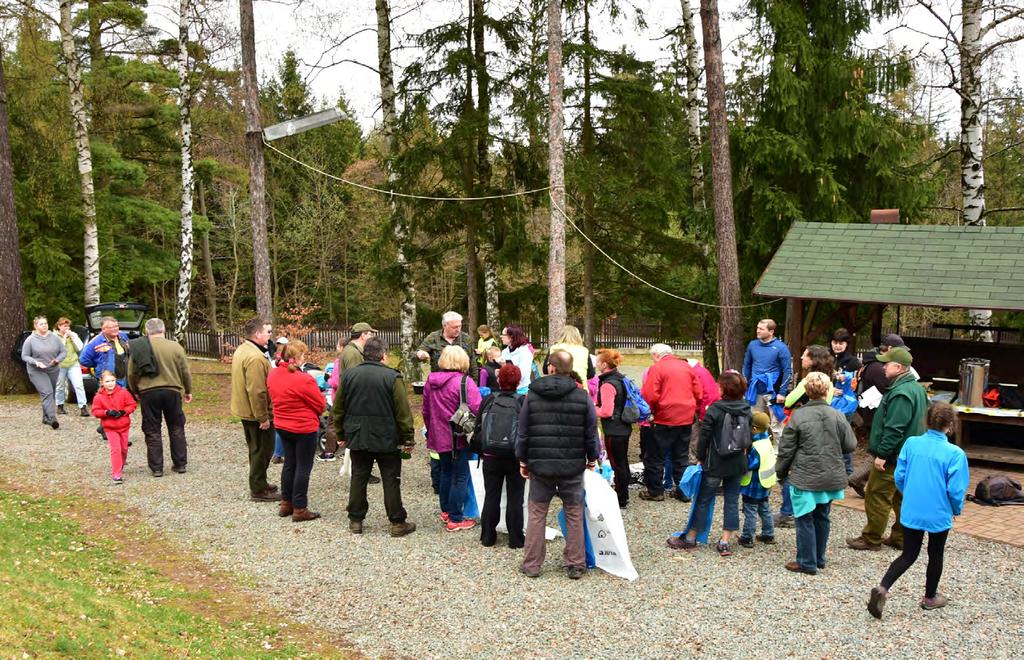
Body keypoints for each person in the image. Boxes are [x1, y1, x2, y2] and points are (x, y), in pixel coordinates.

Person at [867, 402, 969, 618]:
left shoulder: (911, 443)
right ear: (950, 426)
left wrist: (909, 494)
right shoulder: (955, 454)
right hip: (939, 511)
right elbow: (956, 490)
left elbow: (900, 476)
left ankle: (883, 587)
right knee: (935, 553)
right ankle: (930, 597)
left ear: (927, 421)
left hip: (912, 508)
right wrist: (955, 509)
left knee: (909, 554)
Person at [517, 349, 601, 579]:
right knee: (574, 513)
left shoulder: (532, 396)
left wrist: (523, 460)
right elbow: (591, 434)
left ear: (551, 368)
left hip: (540, 465)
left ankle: (532, 564)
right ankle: (575, 563)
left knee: (537, 514)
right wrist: (593, 459)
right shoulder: (582, 396)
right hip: (572, 466)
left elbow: (523, 432)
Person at [846, 346, 927, 552]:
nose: (883, 368)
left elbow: (894, 428)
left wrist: (882, 454)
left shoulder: (901, 392)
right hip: (909, 455)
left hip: (894, 456)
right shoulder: (917, 388)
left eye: (887, 364)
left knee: (877, 494)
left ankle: (871, 538)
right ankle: (901, 537)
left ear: (898, 367)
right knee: (901, 498)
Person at [334, 338, 417, 537]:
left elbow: (338, 408)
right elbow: (403, 412)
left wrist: (340, 434)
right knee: (390, 479)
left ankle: (356, 519)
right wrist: (408, 438)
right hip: (386, 437)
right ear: (383, 355)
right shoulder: (392, 377)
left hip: (357, 435)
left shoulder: (349, 376)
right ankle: (397, 521)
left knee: (359, 476)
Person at [776, 372, 857, 574]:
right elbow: (850, 445)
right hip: (831, 474)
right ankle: (819, 558)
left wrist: (781, 471)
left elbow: (786, 450)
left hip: (805, 475)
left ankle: (807, 562)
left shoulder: (799, 416)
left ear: (806, 392)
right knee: (822, 516)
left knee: (804, 518)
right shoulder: (837, 415)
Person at [667, 371, 749, 557]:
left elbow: (704, 437)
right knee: (731, 500)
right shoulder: (746, 408)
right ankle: (725, 541)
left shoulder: (715, 409)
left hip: (716, 462)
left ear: (724, 389)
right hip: (737, 462)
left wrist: (700, 456)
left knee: (703, 499)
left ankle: (691, 537)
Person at [422, 345, 482, 531]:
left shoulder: (430, 382)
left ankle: (446, 511)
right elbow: (477, 408)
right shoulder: (465, 382)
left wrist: (432, 430)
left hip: (439, 435)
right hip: (460, 436)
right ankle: (456, 518)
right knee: (461, 475)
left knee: (446, 472)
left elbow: (426, 411)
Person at [776, 345, 836, 528]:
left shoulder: (808, 380)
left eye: (805, 355)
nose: (801, 357)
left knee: (790, 469)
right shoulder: (830, 380)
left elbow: (789, 400)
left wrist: (783, 399)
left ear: (813, 359)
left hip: (801, 426)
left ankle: (788, 512)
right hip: (820, 428)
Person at [266, 340, 326, 522]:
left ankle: (286, 502)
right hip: (303, 427)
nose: (304, 359)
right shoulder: (304, 379)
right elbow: (320, 404)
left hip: (283, 425)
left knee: (290, 463)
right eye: (302, 356)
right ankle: (300, 507)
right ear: (296, 359)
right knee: (303, 467)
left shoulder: (273, 375)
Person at [127, 318, 193, 477]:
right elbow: (185, 371)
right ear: (164, 330)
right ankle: (180, 463)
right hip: (172, 391)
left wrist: (135, 390)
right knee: (176, 427)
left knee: (152, 429)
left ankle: (157, 467)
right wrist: (188, 390)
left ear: (146, 331)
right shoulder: (175, 347)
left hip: (148, 392)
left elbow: (131, 372)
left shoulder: (139, 347)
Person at [639, 343, 703, 502]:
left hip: (664, 417)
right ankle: (683, 491)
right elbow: (698, 392)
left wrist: (651, 412)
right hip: (685, 417)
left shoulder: (658, 368)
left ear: (656, 355)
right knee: (681, 455)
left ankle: (655, 492)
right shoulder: (686, 367)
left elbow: (650, 395)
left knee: (655, 455)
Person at [848, 334, 906, 496]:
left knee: (879, 448)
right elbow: (888, 388)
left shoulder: (872, 364)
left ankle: (858, 478)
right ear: (889, 349)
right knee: (880, 449)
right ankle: (858, 477)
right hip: (876, 414)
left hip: (873, 412)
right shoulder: (877, 367)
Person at [230, 317, 279, 502]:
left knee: (256, 448)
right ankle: (258, 489)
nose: (270, 335)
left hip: (246, 409)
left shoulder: (244, 349)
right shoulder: (255, 358)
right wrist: (263, 417)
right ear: (257, 334)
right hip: (254, 413)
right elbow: (257, 390)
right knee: (263, 449)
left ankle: (260, 481)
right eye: (267, 332)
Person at [478, 363, 526, 548]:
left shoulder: (489, 399)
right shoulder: (523, 401)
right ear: (518, 381)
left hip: (491, 455)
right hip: (515, 456)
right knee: (515, 497)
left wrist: (480, 450)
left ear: (498, 379)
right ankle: (516, 539)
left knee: (491, 495)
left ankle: (488, 537)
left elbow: (478, 428)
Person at [595, 349, 634, 509]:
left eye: (597, 362)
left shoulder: (608, 384)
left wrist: (591, 408)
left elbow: (606, 411)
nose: (596, 364)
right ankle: (623, 494)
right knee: (622, 462)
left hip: (614, 429)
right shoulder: (620, 378)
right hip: (623, 425)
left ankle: (620, 497)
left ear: (604, 365)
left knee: (618, 464)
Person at [92, 370, 137, 484]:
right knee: (115, 449)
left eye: (112, 380)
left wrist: (123, 412)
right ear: (102, 382)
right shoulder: (99, 397)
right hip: (110, 427)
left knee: (124, 448)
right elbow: (95, 411)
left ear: (116, 380)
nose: (110, 383)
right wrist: (106, 413)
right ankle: (116, 474)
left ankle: (121, 463)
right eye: (107, 381)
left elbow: (132, 405)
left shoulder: (123, 393)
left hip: (123, 425)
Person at [738, 411, 775, 548]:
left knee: (750, 511)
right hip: (765, 484)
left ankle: (747, 537)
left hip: (753, 485)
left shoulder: (756, 446)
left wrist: (742, 458)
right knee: (764, 509)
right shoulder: (767, 440)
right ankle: (768, 534)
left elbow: (751, 464)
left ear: (754, 429)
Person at [21, 316, 66, 429]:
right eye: (41, 324)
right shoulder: (30, 339)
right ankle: (52, 418)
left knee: (50, 393)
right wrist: (35, 362)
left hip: (53, 369)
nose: (44, 325)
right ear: (36, 326)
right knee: (47, 392)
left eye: (45, 323)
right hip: (36, 370)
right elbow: (24, 356)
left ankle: (45, 417)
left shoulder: (54, 337)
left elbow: (63, 351)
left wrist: (57, 360)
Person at [742, 319, 792, 410]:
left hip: (773, 392)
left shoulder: (781, 348)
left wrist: (782, 392)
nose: (758, 331)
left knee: (776, 423)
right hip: (755, 391)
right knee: (755, 421)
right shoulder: (752, 345)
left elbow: (787, 371)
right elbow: (746, 365)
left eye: (761, 329)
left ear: (771, 332)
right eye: (757, 328)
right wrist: (745, 384)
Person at [416, 311, 478, 381]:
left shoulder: (466, 339)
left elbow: (473, 363)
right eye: (454, 327)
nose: (458, 329)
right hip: (439, 383)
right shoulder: (433, 337)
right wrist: (421, 354)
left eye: (459, 326)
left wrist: (474, 382)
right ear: (444, 325)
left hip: (461, 383)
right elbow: (419, 352)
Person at [80, 316, 131, 387]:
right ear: (103, 329)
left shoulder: (123, 336)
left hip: (126, 378)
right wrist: (98, 365)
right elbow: (83, 360)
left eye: (116, 326)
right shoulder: (95, 342)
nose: (115, 329)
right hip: (109, 381)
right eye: (111, 327)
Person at [53, 317, 88, 417]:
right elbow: (58, 351)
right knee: (60, 386)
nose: (67, 328)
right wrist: (64, 339)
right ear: (59, 326)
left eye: (68, 326)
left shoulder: (73, 335)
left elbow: (80, 347)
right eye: (64, 326)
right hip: (60, 365)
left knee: (79, 385)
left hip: (73, 363)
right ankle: (60, 405)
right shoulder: (54, 337)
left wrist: (74, 338)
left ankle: (83, 407)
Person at [500, 324, 534, 394]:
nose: (501, 337)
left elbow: (522, 375)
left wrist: (505, 369)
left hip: (521, 390)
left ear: (511, 336)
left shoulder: (525, 352)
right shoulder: (505, 351)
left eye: (503, 334)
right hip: (507, 390)